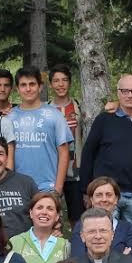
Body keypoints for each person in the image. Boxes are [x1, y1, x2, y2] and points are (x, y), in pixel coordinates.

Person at [80, 74, 132, 228]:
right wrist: (86, 191)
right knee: (102, 238)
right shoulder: (104, 120)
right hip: (105, 196)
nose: (130, 95)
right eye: (125, 91)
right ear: (118, 93)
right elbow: (88, 154)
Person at [8, 65, 73, 194]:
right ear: (17, 89)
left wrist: (58, 189)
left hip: (48, 188)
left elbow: (64, 153)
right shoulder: (9, 117)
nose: (28, 89)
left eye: (32, 84)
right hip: (18, 189)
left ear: (40, 86)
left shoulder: (55, 115)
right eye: (23, 85)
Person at [10, 192, 70, 263]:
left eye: (50, 209)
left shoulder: (65, 246)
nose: (44, 212)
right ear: (31, 213)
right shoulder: (15, 243)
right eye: (39, 208)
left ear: (57, 216)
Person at [68, 177, 132, 260]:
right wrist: (120, 260)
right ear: (91, 199)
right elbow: (77, 260)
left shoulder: (128, 228)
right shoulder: (81, 226)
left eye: (109, 195)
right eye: (99, 195)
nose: (104, 199)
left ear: (116, 199)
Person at [47, 64, 84, 221]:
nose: (60, 84)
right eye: (56, 81)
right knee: (52, 218)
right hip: (52, 173)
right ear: (50, 84)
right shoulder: (45, 110)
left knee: (78, 218)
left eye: (64, 80)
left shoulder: (79, 107)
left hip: (76, 172)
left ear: (70, 82)